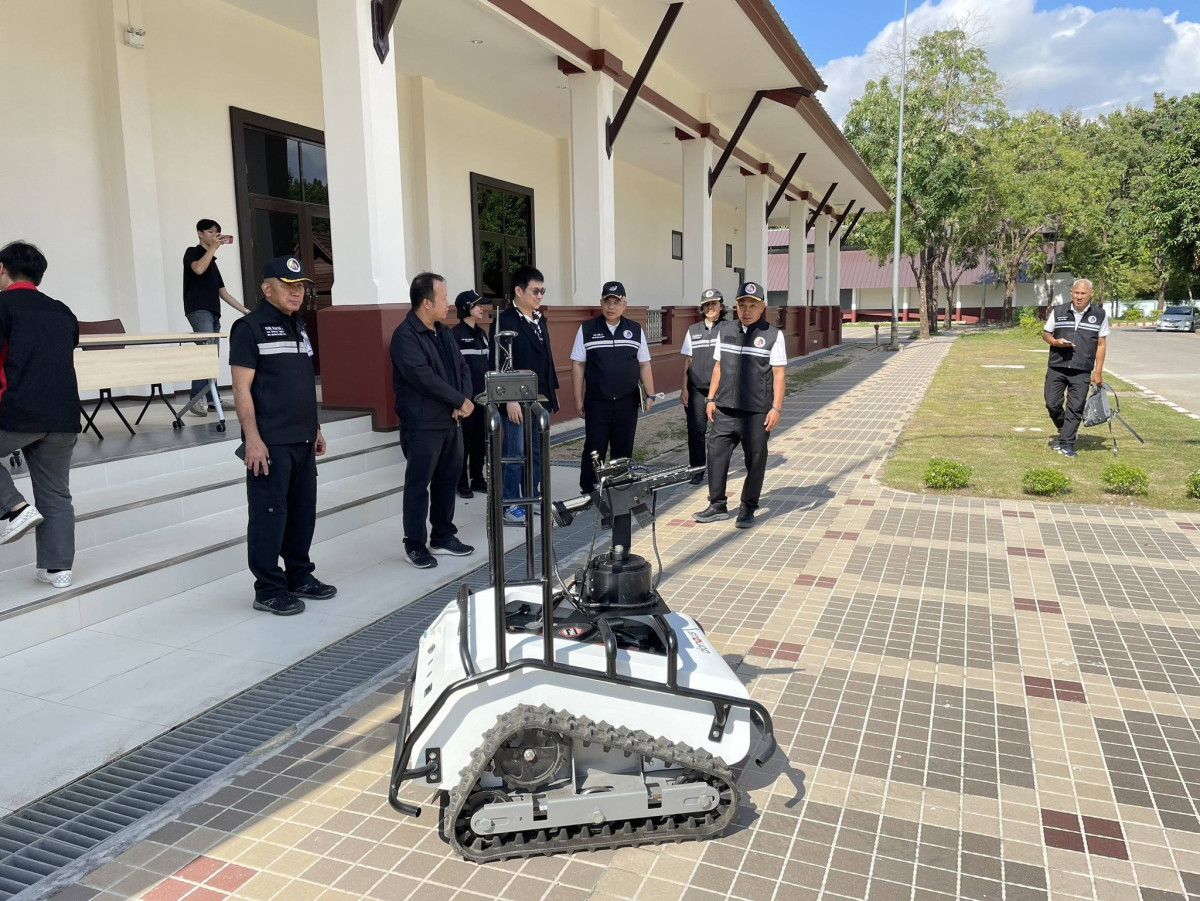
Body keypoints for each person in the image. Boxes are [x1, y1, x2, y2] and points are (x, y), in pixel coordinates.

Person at [229, 256, 336, 616]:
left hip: (302, 437)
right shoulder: (248, 328)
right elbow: (241, 388)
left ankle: (299, 576)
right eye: (288, 285)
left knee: (302, 513)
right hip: (270, 441)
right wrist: (252, 439)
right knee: (269, 516)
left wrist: (315, 427)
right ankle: (269, 589)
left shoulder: (299, 325)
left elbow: (302, 383)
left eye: (300, 285)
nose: (297, 292)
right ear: (266, 288)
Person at [0, 241, 80, 589]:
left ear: (2, 269)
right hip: (63, 414)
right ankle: (57, 568)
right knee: (56, 492)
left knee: (50, 493)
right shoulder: (63, 311)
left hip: (17, 411)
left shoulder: (2, 305)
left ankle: (14, 507)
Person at [390, 273, 475, 569]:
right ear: (426, 302)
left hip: (451, 421)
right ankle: (414, 544)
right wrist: (458, 400)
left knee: (447, 480)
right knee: (418, 485)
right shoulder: (405, 336)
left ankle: (443, 535)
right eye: (444, 298)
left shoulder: (444, 332)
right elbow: (423, 378)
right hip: (422, 424)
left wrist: (463, 400)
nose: (448, 304)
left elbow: (463, 368)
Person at [693, 281, 786, 530]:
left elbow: (778, 374)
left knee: (755, 460)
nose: (747, 310)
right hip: (724, 408)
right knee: (716, 455)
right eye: (742, 304)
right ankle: (717, 504)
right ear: (736, 305)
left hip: (757, 411)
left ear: (762, 307)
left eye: (752, 305)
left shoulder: (773, 335)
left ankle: (747, 508)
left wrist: (776, 408)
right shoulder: (725, 330)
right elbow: (718, 366)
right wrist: (710, 398)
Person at [570, 281, 655, 494]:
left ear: (624, 304)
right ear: (601, 303)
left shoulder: (635, 329)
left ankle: (619, 490)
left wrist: (650, 394)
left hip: (627, 401)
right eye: (607, 301)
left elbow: (644, 364)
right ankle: (589, 491)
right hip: (597, 402)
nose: (611, 306)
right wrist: (578, 399)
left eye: (616, 302)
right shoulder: (587, 329)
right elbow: (578, 364)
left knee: (623, 448)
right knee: (594, 448)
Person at [492, 265, 559, 525]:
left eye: (542, 291)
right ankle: (510, 502)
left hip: (538, 397)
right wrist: (509, 399)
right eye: (535, 291)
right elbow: (499, 363)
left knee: (536, 452)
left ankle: (532, 495)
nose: (540, 295)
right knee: (515, 452)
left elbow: (546, 358)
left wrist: (551, 392)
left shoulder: (539, 319)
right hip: (515, 401)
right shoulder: (505, 321)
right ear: (519, 291)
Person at [183, 219, 248, 417]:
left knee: (212, 356)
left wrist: (246, 311)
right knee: (205, 354)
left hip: (213, 312)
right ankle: (195, 399)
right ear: (200, 233)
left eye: (217, 233)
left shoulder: (212, 262)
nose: (214, 236)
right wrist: (213, 248)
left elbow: (223, 292)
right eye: (210, 232)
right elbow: (198, 269)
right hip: (198, 310)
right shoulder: (192, 252)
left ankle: (212, 400)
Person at [1043, 278, 1108, 459]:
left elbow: (1101, 344)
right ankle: (1065, 429)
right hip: (1057, 365)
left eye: (1083, 293)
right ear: (1071, 292)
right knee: (1052, 403)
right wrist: (1055, 342)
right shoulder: (1059, 311)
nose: (1079, 297)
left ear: (1091, 294)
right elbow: (1046, 333)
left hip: (1082, 369)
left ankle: (1067, 444)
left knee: (1075, 407)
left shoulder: (1100, 315)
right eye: (1076, 293)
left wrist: (1098, 371)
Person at [680, 288, 726, 485]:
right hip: (697, 389)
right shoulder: (693, 330)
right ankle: (697, 470)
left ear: (721, 306)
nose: (710, 308)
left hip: (721, 390)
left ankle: (718, 470)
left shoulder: (729, 328)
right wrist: (684, 388)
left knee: (721, 432)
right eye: (706, 305)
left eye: (713, 304)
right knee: (696, 431)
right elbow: (688, 360)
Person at [451, 289, 491, 500]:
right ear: (466, 308)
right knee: (463, 442)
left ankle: (477, 477)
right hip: (466, 399)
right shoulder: (454, 335)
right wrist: (459, 399)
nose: (481, 308)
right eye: (477, 305)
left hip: (483, 398)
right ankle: (461, 481)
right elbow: (454, 371)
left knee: (480, 441)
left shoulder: (482, 334)